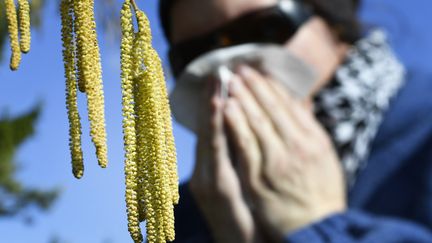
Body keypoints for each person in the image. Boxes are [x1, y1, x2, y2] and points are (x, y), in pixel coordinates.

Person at [159, 0, 432, 242]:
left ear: (334, 24)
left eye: (265, 29)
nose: (230, 67)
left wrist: (315, 227)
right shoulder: (187, 212)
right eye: (196, 54)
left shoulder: (422, 136)